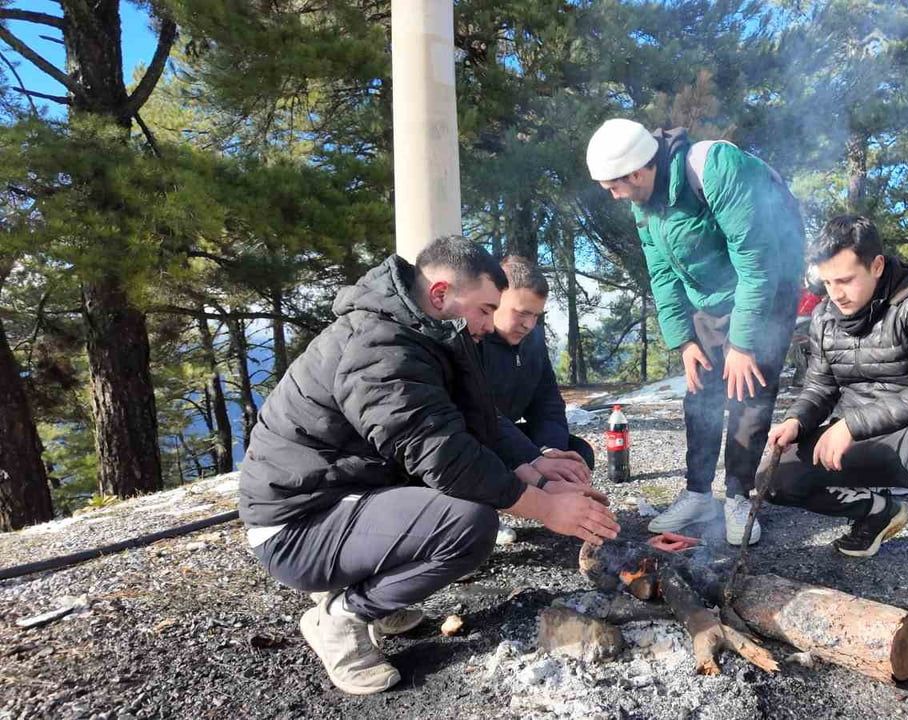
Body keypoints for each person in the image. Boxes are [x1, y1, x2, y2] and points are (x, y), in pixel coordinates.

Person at [239, 237, 619, 695]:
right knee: (469, 523)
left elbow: (478, 420)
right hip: (296, 526)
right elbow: (441, 454)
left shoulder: (430, 334)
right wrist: (544, 508)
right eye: (484, 309)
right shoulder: (379, 348)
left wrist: (536, 471)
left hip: (345, 498)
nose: (486, 324)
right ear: (441, 294)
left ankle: (375, 596)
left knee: (467, 504)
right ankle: (342, 618)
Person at [586, 118, 805, 545]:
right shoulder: (644, 204)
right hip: (711, 298)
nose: (612, 195)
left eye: (613, 185)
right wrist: (683, 340)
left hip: (767, 287)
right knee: (700, 388)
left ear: (636, 172)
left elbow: (757, 262)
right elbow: (662, 273)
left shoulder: (715, 167)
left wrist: (743, 343)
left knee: (749, 390)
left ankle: (739, 496)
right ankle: (699, 493)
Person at [765, 215, 908, 621]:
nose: (836, 294)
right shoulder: (826, 317)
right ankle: (875, 513)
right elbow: (820, 388)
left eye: (845, 280)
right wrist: (795, 420)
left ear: (877, 266)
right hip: (860, 440)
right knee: (775, 478)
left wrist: (852, 425)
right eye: (827, 283)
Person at [480, 255, 597, 471]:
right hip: (479, 440)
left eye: (536, 316)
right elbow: (480, 415)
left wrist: (550, 450)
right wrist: (533, 457)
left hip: (512, 435)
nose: (529, 325)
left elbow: (548, 405)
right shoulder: (474, 340)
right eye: (522, 313)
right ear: (496, 299)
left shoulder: (533, 343)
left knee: (579, 453)